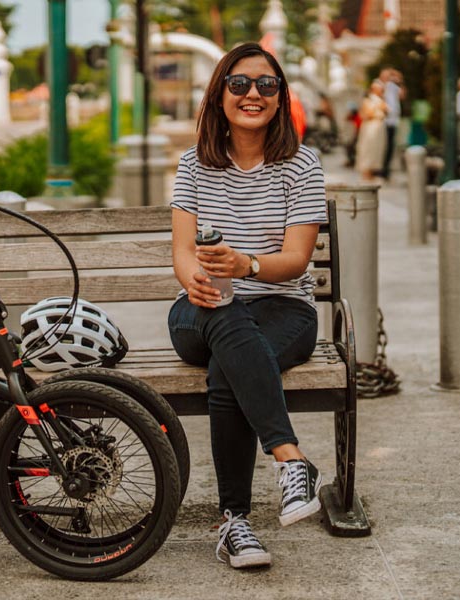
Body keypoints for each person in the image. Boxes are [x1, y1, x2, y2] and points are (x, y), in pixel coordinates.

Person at [168, 42, 327, 570]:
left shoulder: (301, 164)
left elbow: (297, 261)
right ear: (219, 96)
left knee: (227, 365)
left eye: (266, 84)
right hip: (202, 308)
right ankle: (291, 458)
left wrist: (247, 266)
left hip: (284, 310)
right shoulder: (194, 164)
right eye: (238, 84)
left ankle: (234, 523)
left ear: (281, 98)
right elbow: (183, 252)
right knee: (223, 313)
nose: (252, 94)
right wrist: (197, 281)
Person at [355, 79, 388, 181]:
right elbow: (366, 113)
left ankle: (373, 171)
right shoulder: (369, 100)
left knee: (377, 150)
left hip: (378, 126)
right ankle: (366, 172)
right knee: (368, 149)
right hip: (370, 127)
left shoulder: (381, 100)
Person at [379, 67, 405, 180]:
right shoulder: (381, 86)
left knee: (390, 146)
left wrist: (400, 81)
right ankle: (383, 169)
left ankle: (386, 169)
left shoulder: (393, 87)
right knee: (385, 146)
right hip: (385, 120)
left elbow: (402, 95)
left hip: (393, 120)